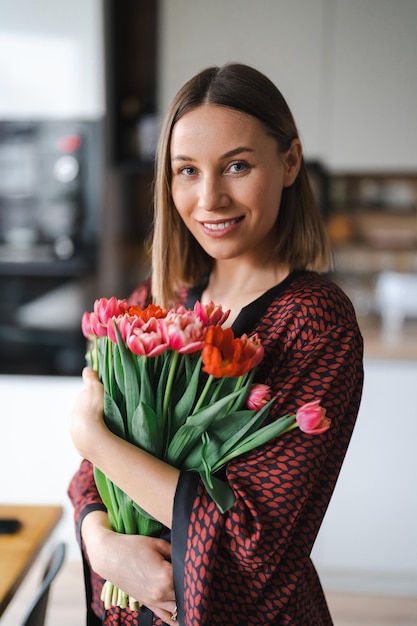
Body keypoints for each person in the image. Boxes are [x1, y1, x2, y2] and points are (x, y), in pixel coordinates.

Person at [69, 63, 363, 626]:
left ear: (289, 163)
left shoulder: (313, 322)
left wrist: (95, 439)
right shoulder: (159, 302)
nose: (210, 198)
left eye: (236, 165)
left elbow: (253, 536)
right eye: (186, 170)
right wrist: (102, 544)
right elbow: (89, 478)